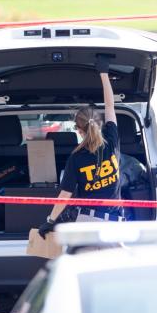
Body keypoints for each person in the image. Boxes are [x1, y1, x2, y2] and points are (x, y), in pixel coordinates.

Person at [38, 55, 122, 238]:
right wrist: (103, 72)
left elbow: (65, 195)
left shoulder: (76, 158)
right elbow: (110, 105)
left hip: (88, 222)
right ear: (99, 123)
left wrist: (50, 221)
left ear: (78, 130)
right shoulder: (112, 140)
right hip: (115, 222)